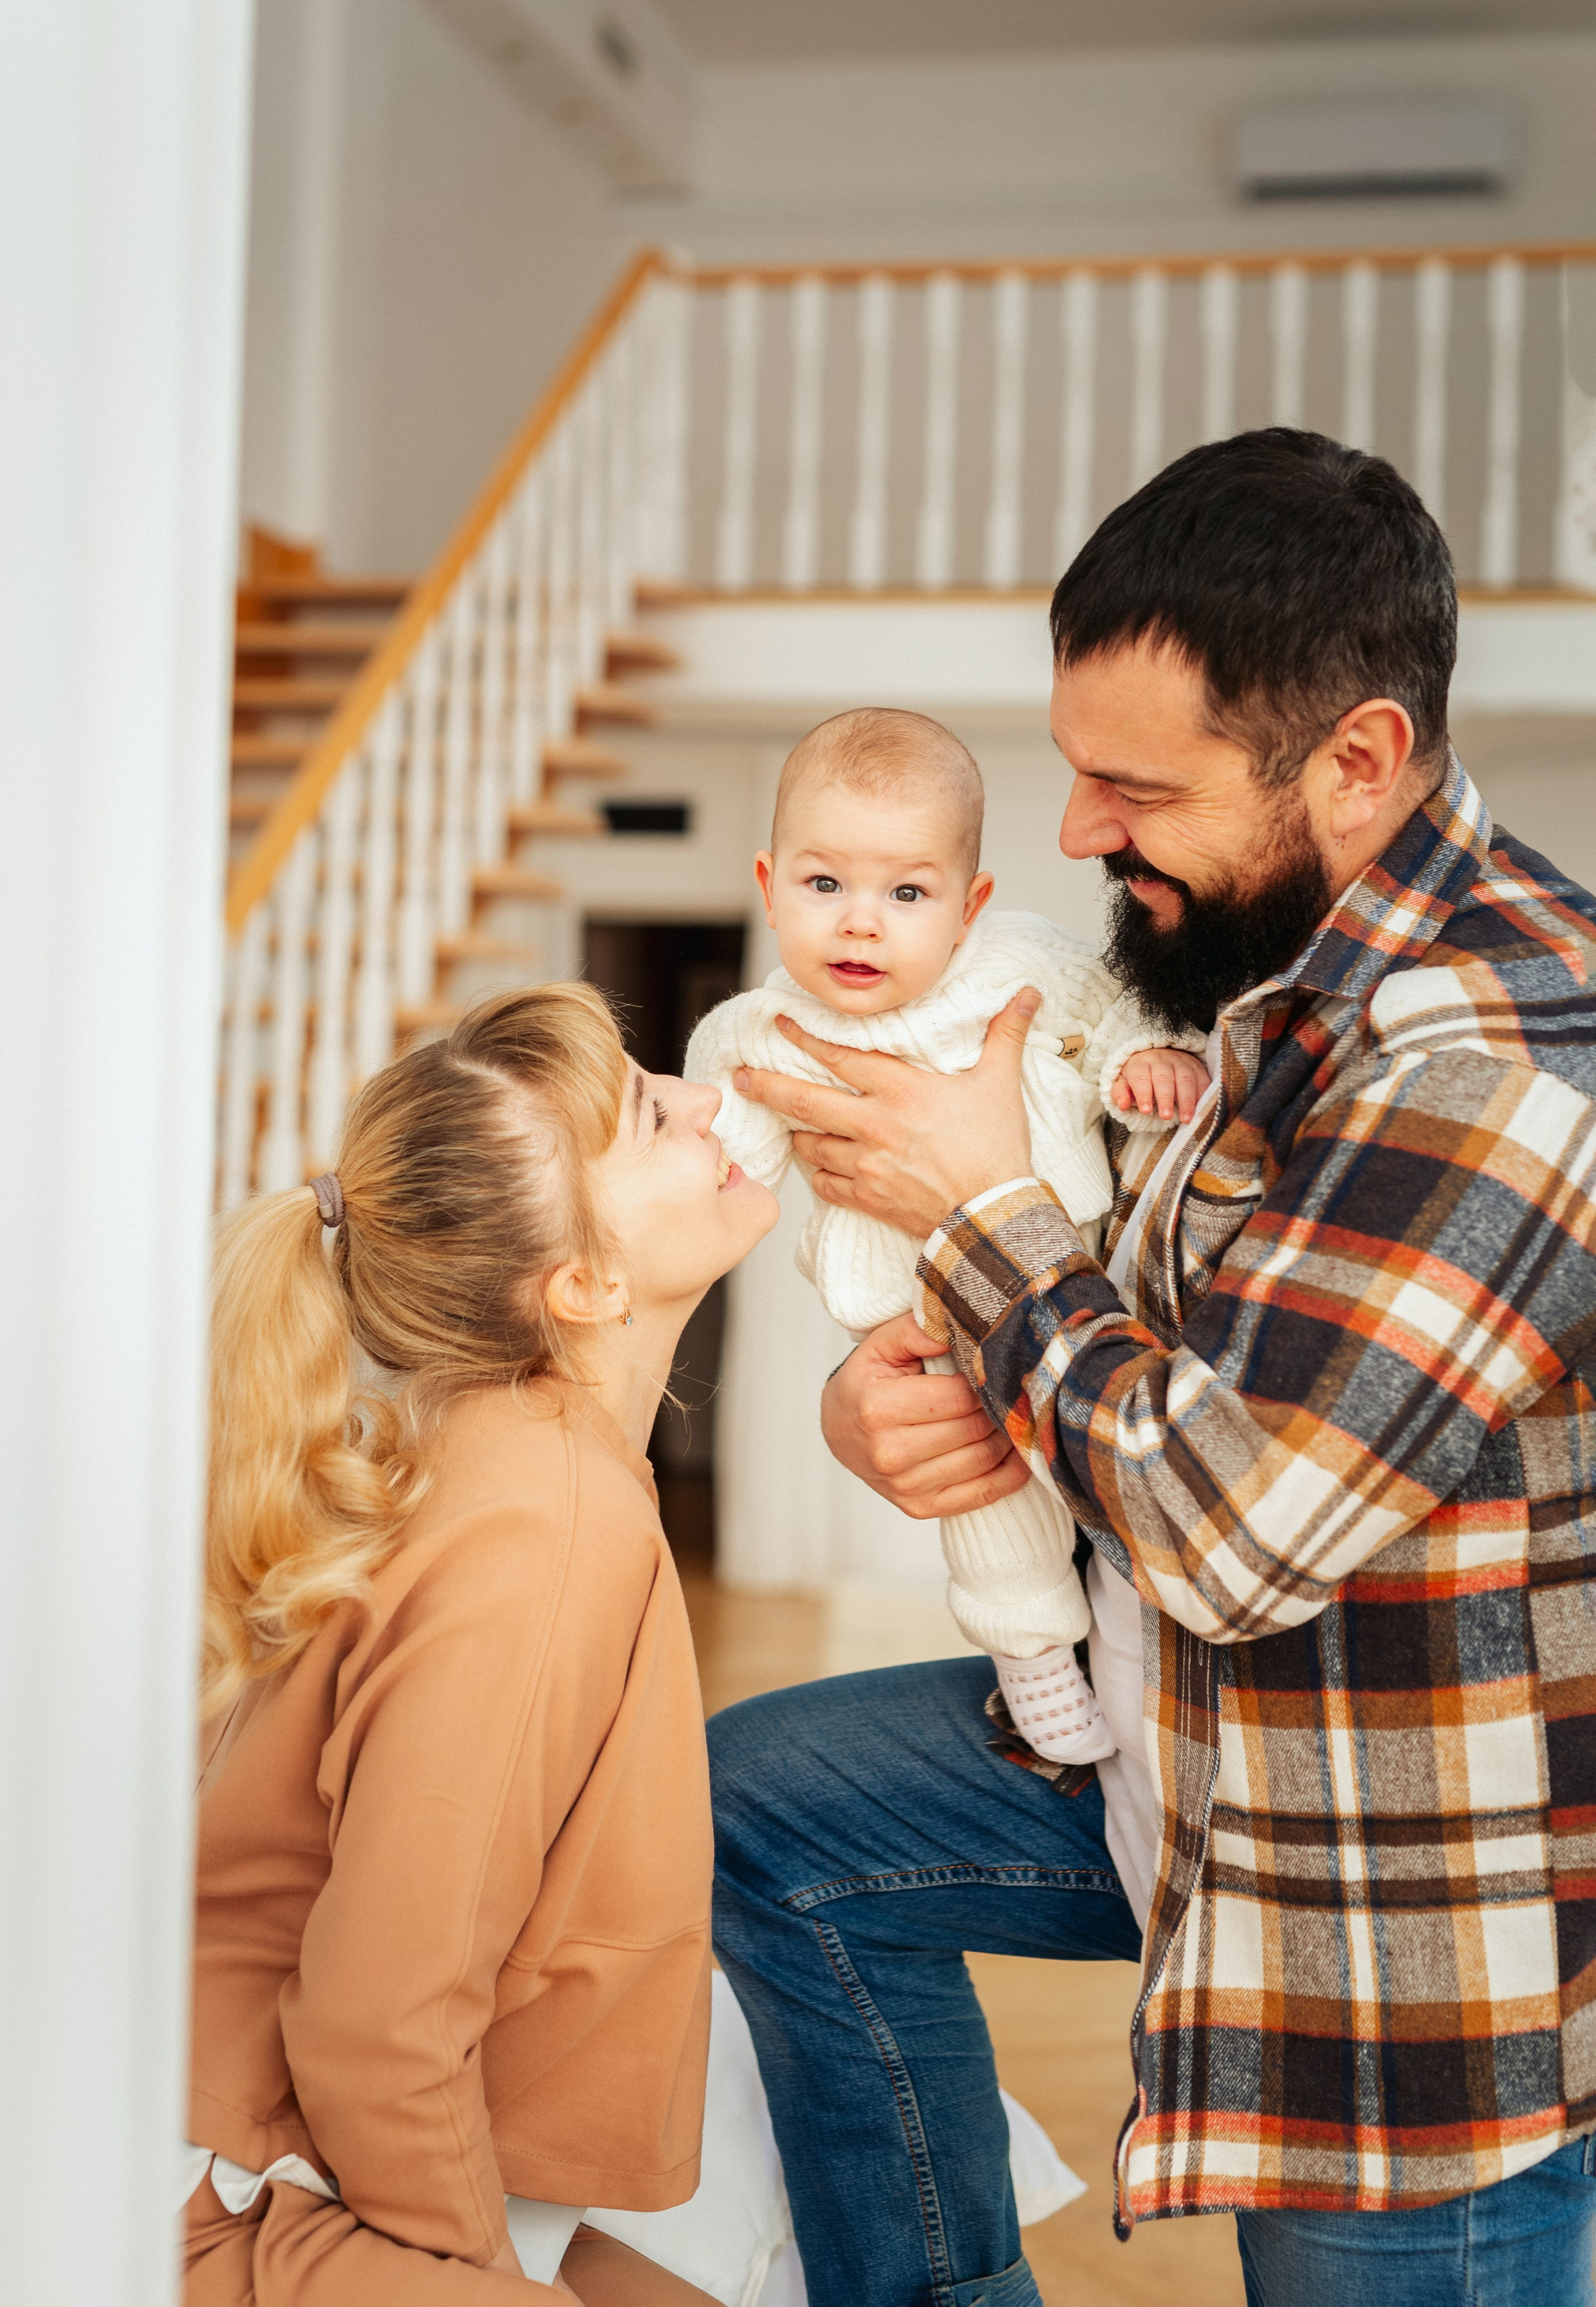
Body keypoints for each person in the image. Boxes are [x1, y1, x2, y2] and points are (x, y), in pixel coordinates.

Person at [707, 429, 1596, 2307]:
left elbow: (1236, 1531)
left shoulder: (1495, 1059)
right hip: (1176, 1746)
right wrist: (895, 1405)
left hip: (1394, 1934)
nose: (1074, 834)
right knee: (757, 1812)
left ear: (1353, 760)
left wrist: (972, 1218)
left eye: (1132, 785)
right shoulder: (1269, 980)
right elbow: (1131, 1334)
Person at [185, 984, 779, 2306]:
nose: (700, 1096)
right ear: (582, 1281)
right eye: (647, 1110)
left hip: (292, 2140)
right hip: (240, 2189)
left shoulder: (525, 1462)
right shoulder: (546, 1517)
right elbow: (375, 2023)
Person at [686, 705, 1207, 1762]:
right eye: (823, 885)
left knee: (1105, 1460)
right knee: (988, 1495)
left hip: (1085, 1272)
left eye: (907, 893)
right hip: (924, 1325)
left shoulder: (1019, 965)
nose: (860, 923)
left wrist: (1137, 1063)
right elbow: (718, 1147)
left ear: (970, 907)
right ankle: (1032, 1664)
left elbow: (1114, 1013)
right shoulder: (758, 1029)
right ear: (767, 884)